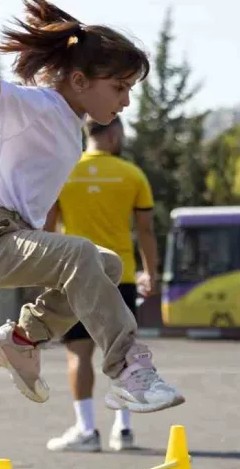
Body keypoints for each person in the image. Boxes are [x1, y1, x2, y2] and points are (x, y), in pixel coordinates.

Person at [0, 0, 184, 414]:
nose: (125, 101)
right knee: (79, 254)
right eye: (119, 88)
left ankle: (22, 339)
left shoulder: (69, 127)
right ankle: (129, 370)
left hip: (15, 234)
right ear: (79, 81)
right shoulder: (39, 106)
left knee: (106, 263)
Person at [42, 117, 158, 452]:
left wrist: (48, 275)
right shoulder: (132, 174)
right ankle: (123, 431)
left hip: (74, 276)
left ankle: (87, 430)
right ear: (115, 132)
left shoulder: (64, 172)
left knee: (78, 353)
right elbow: (146, 231)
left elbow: (48, 230)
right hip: (119, 276)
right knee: (120, 353)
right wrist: (150, 272)